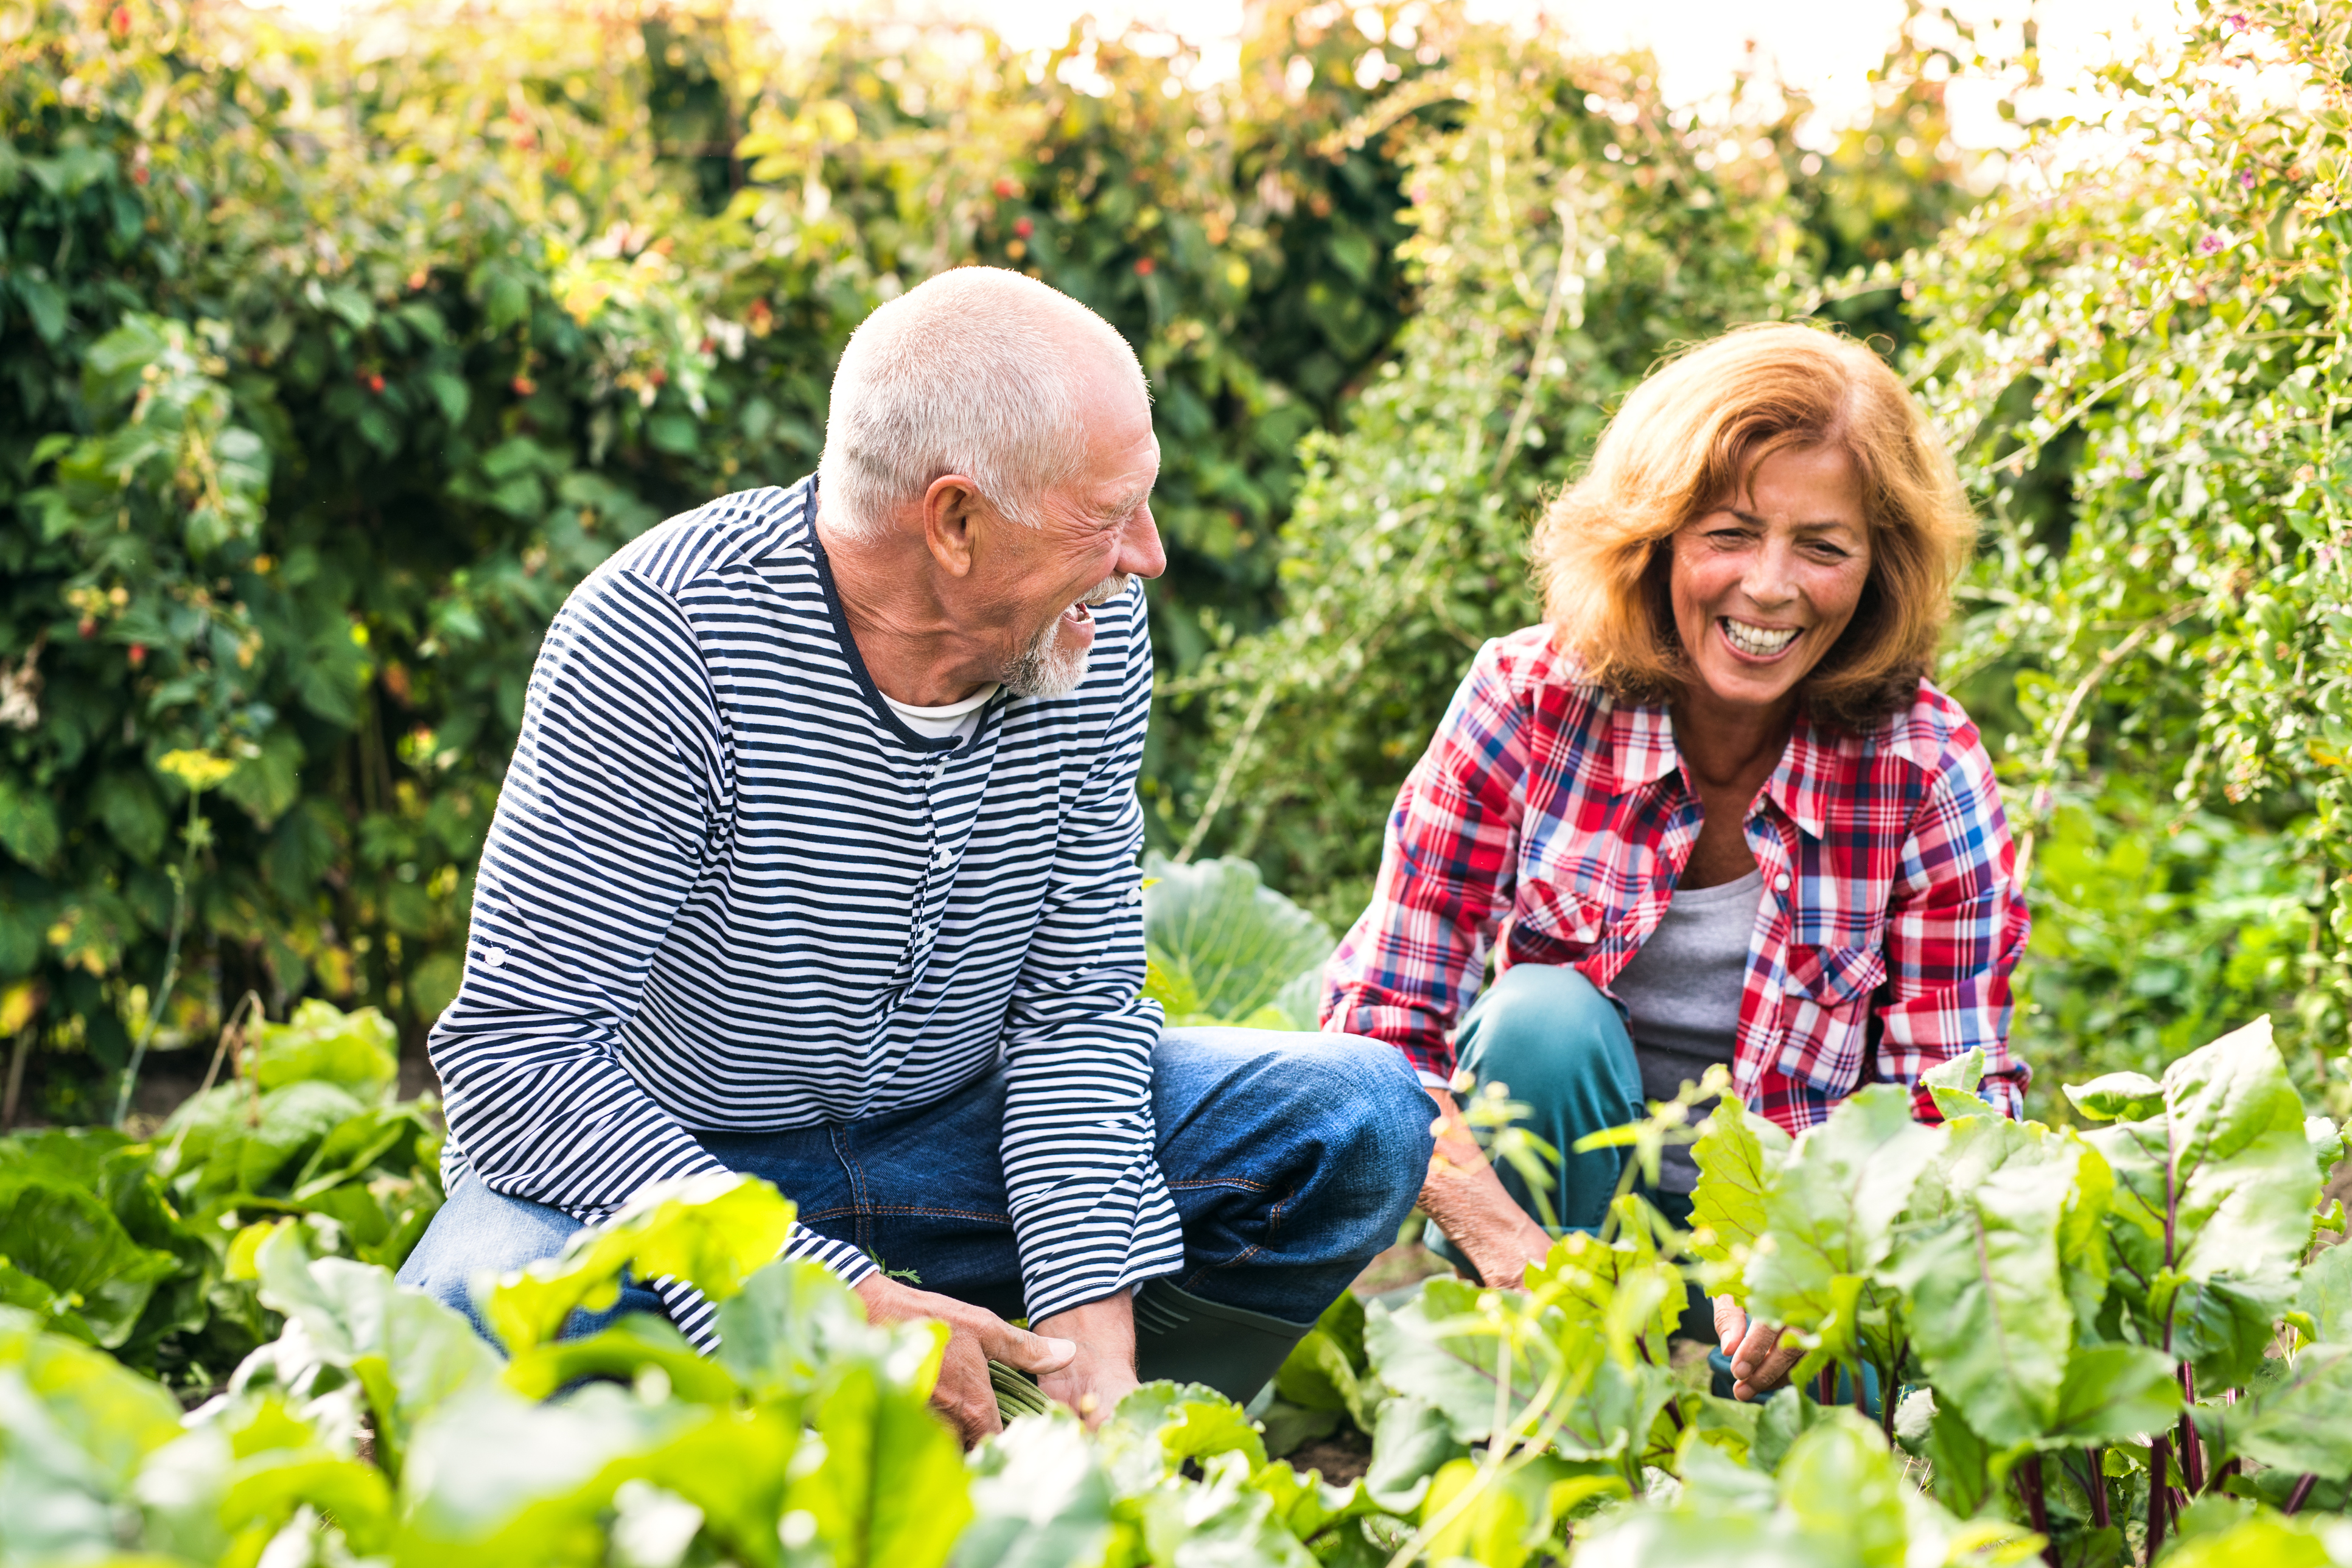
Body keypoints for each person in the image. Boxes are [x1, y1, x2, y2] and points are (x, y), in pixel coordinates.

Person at [396, 267, 1432, 1443]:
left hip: (955, 1149)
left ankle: (1045, 1429)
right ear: (954, 521)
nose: (1145, 555)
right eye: (1109, 514)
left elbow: (1076, 1015)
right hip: (686, 1171)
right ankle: (803, 1419)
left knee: (1360, 1121)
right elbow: (518, 1061)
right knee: (472, 1320)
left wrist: (1097, 1350)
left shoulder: (1079, 629)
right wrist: (827, 1291)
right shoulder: (666, 637)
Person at [1321, 323, 2027, 1401]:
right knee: (1542, 1018)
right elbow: (1377, 1031)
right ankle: (1541, 1408)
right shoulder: (1530, 700)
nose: (1772, 588)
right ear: (1655, 534)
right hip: (1556, 1234)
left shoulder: (1924, 768)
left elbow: (1951, 1107)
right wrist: (1513, 1254)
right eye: (1731, 533)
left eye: (1824, 548)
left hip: (1792, 1265)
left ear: (1879, 568)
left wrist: (1814, 1263)